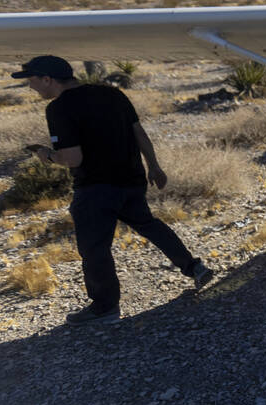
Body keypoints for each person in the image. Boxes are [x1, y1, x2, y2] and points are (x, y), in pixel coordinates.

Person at [13, 55, 214, 325]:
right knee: (150, 225)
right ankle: (194, 267)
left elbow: (73, 159)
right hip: (131, 179)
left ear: (47, 79)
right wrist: (154, 166)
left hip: (95, 189)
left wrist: (46, 155)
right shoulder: (112, 94)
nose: (30, 87)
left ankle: (105, 307)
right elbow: (139, 133)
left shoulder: (59, 108)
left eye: (32, 81)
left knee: (95, 248)